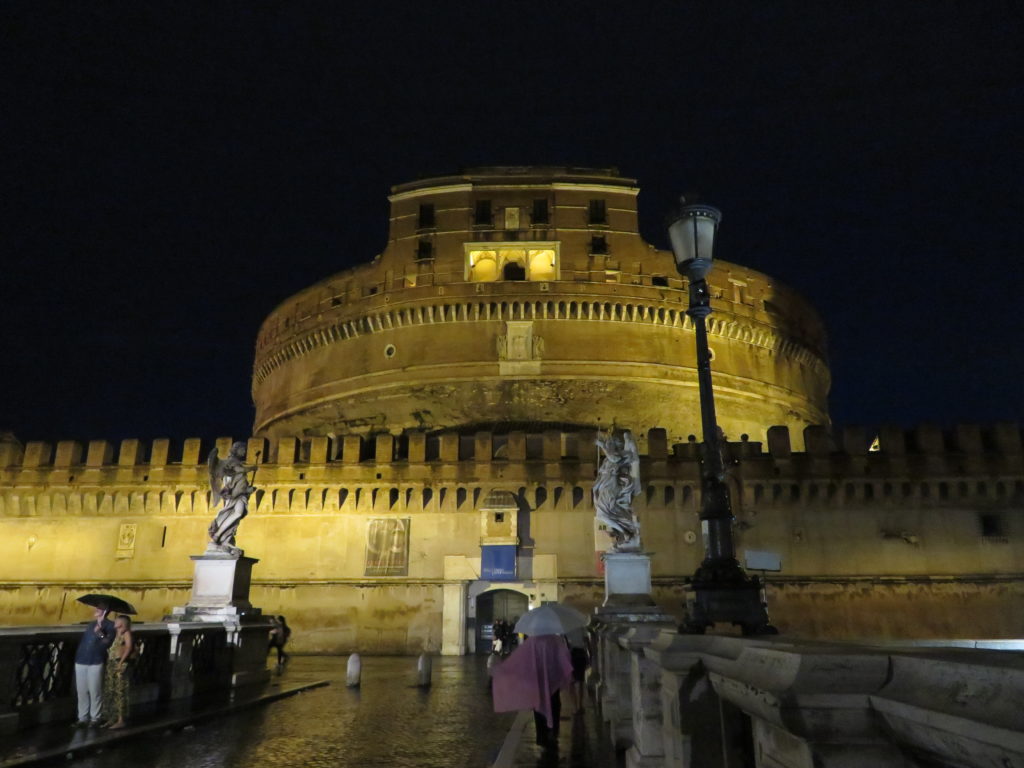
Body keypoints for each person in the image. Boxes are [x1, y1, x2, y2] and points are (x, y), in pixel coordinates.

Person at [491, 634, 573, 749]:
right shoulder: (555, 641)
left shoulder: (533, 641)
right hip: (553, 679)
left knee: (539, 705)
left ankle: (541, 735)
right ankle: (552, 731)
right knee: (554, 704)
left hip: (538, 679)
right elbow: (563, 659)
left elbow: (524, 659)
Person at [73, 607, 115, 727]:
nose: (96, 609)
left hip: (96, 660)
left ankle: (95, 718)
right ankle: (82, 718)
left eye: (99, 608)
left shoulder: (110, 626)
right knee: (81, 691)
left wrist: (100, 633)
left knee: (95, 690)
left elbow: (107, 643)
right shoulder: (91, 624)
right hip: (81, 658)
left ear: (106, 611)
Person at [101, 615, 134, 729]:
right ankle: (112, 718)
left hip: (119, 663)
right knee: (110, 690)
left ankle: (120, 719)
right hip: (111, 663)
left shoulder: (126, 633)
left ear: (122, 623)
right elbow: (105, 640)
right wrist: (99, 632)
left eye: (117, 620)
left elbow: (129, 647)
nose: (115, 621)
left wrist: (121, 662)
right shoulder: (116, 633)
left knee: (120, 691)